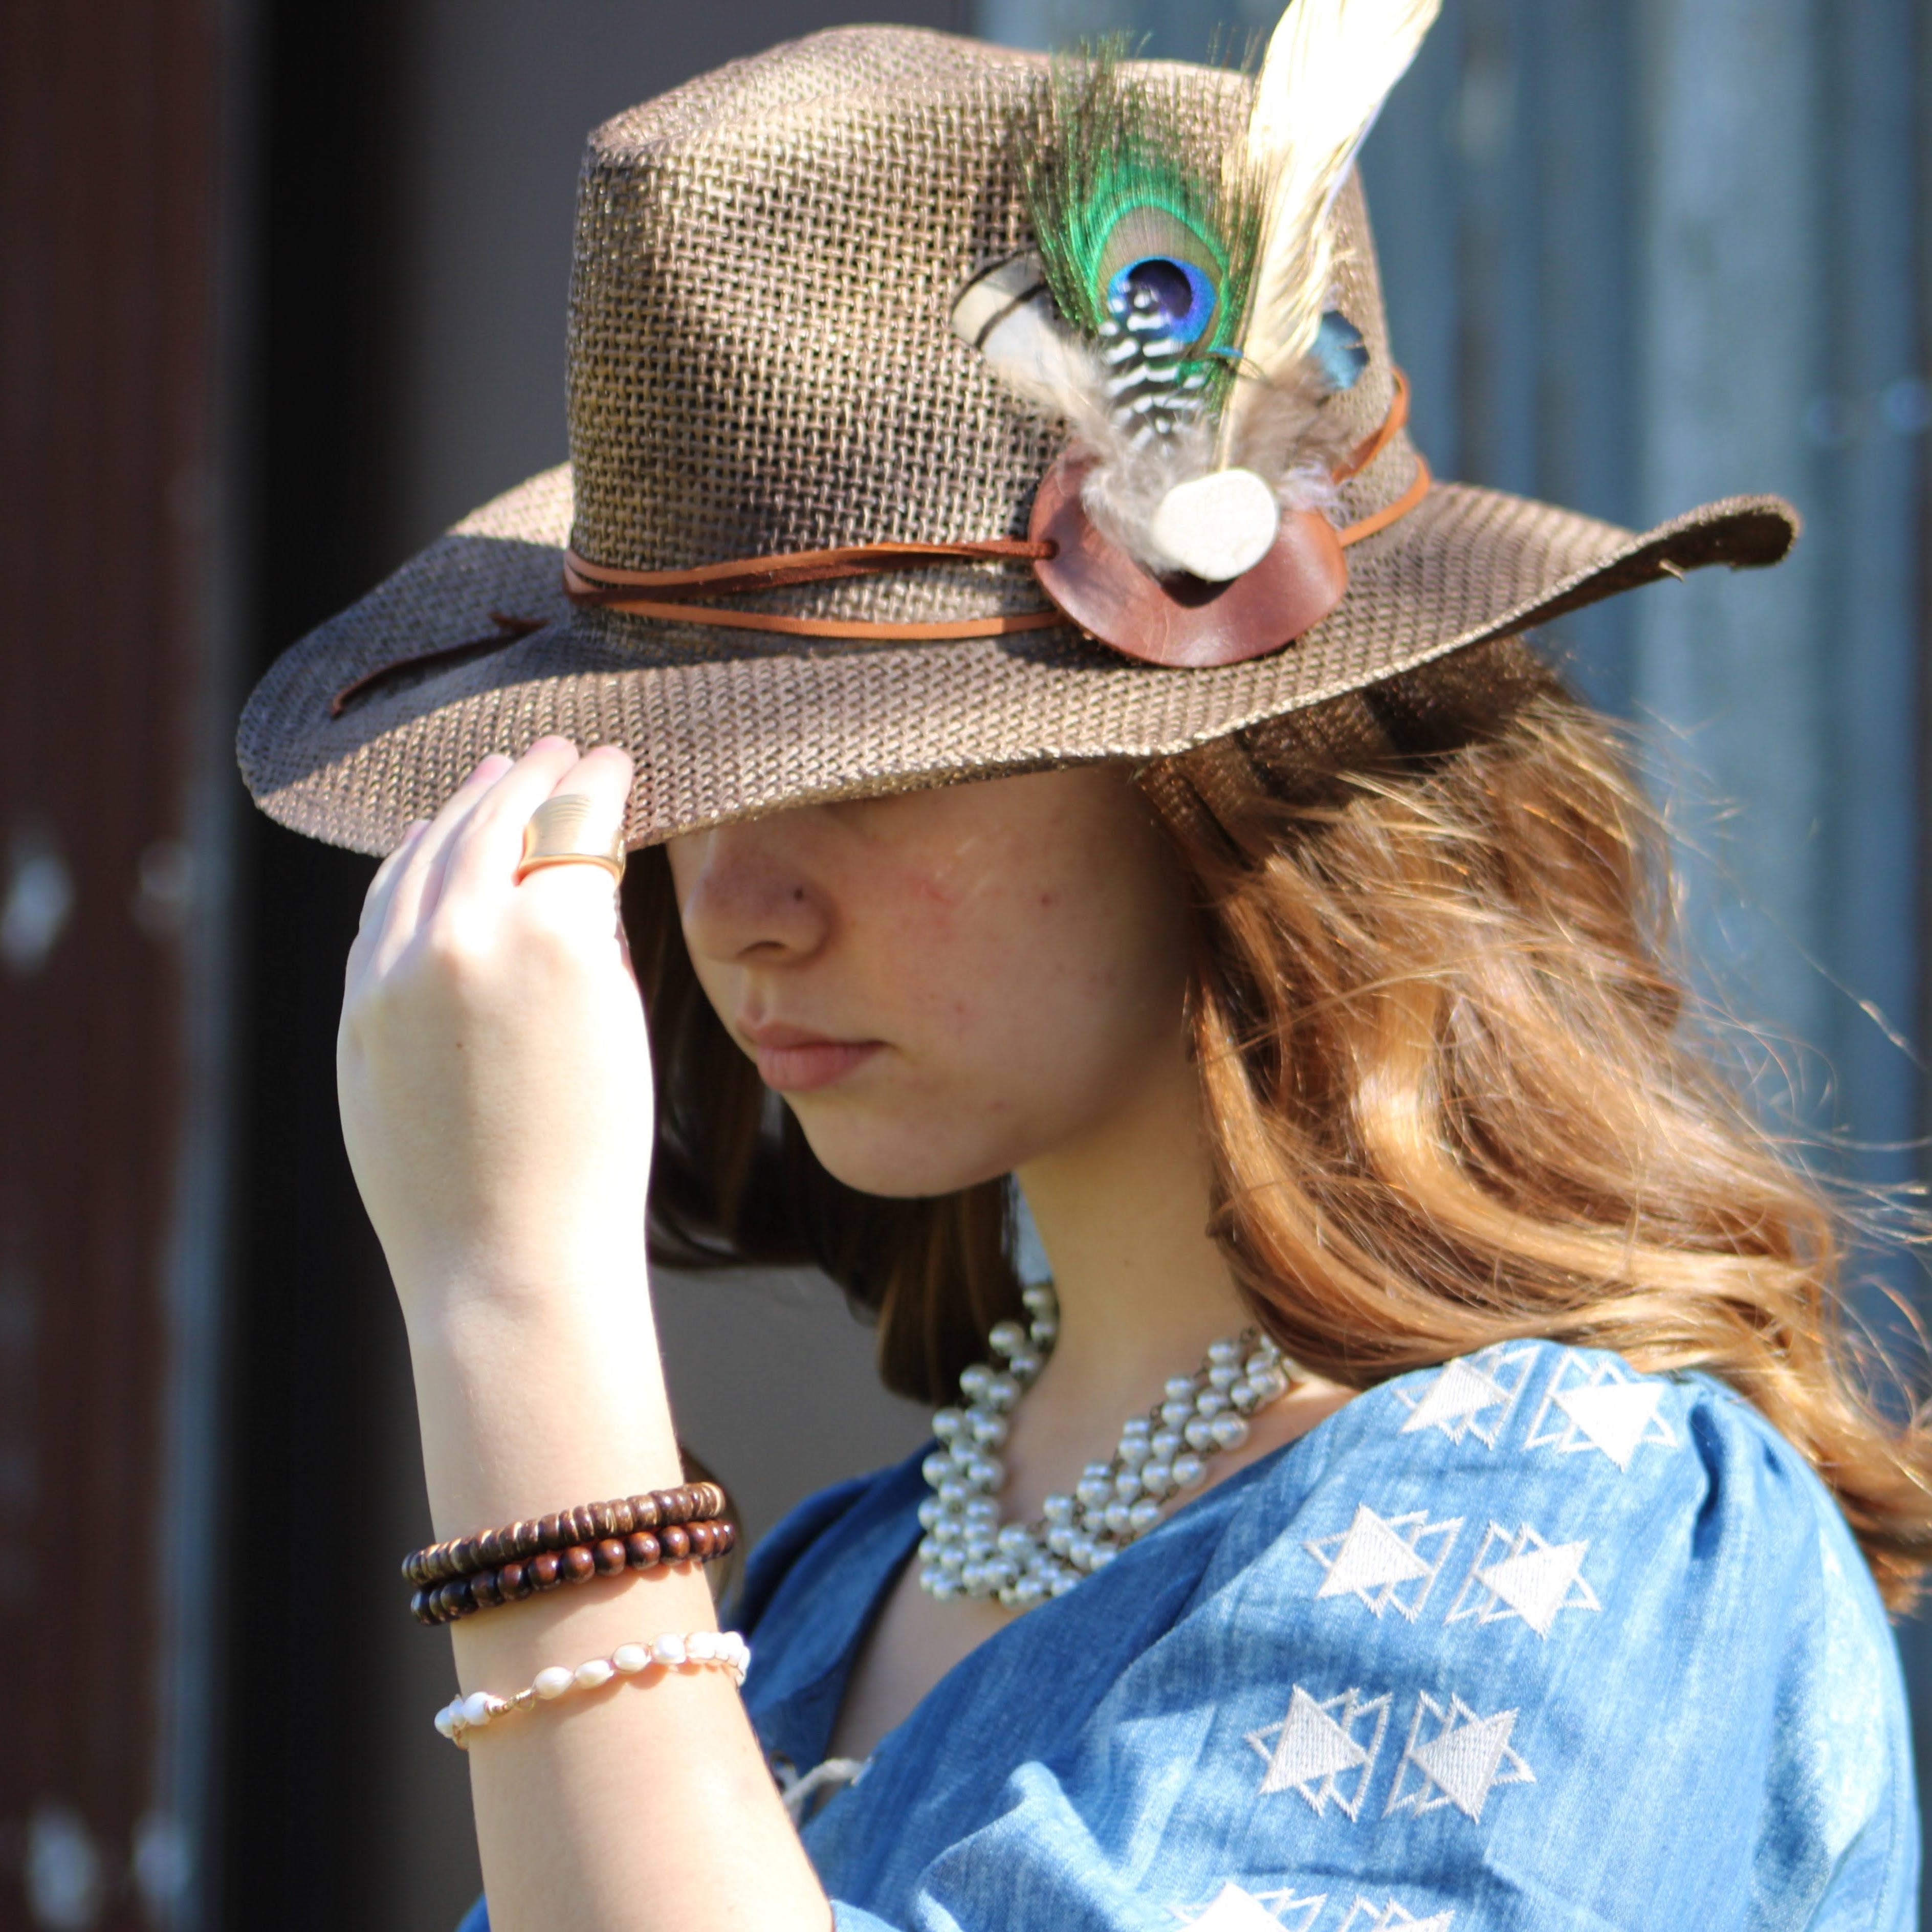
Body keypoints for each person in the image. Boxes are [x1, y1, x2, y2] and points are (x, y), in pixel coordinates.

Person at [238, 15, 1926, 1930]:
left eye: (870, 766)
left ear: (1225, 766)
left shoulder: (1572, 1513)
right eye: (677, 784)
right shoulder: (826, 1596)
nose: (739, 903)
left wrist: (519, 1318)